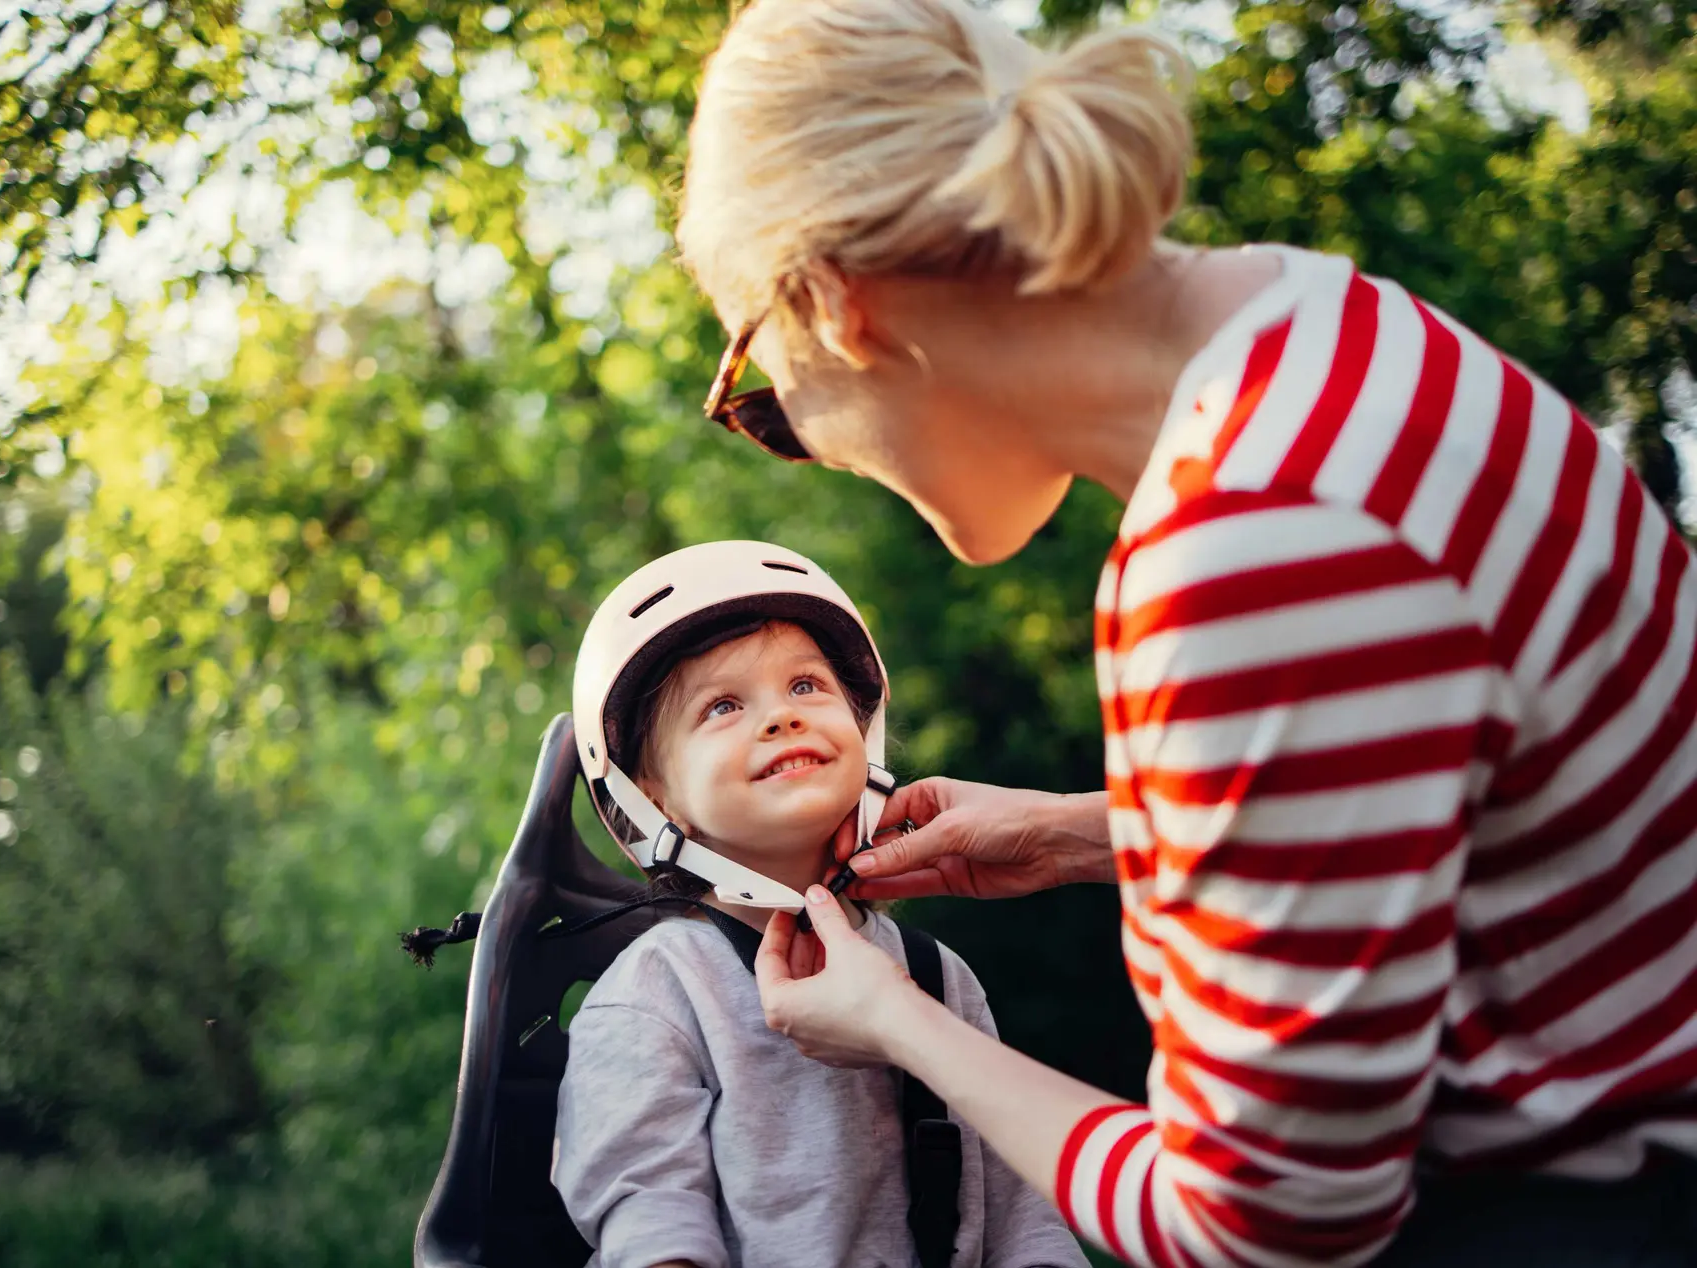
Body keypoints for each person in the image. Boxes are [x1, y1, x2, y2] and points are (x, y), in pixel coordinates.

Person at [670, 1, 1697, 1265]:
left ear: (840, 306)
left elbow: (1264, 1224)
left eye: (764, 399)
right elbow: (1500, 814)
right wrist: (1096, 831)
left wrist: (905, 1025)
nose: (801, 445)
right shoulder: (1323, 324)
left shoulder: (1250, 543)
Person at [552, 539, 1087, 1268]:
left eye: (806, 686)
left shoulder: (936, 975)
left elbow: (1024, 1221)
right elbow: (651, 1225)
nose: (781, 717)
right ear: (655, 800)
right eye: (723, 705)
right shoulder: (656, 996)